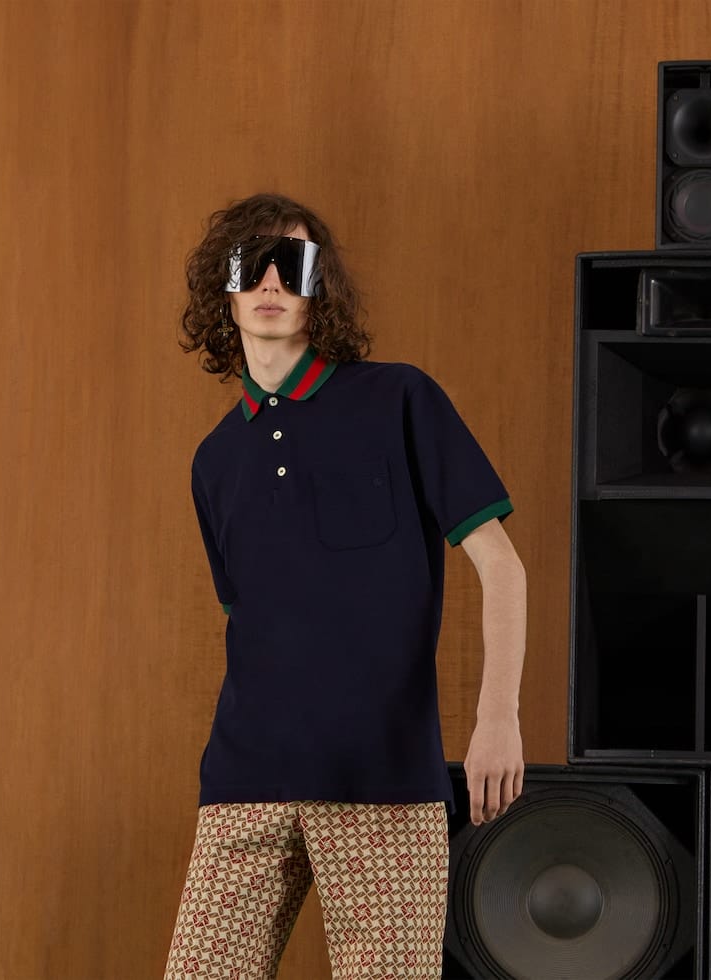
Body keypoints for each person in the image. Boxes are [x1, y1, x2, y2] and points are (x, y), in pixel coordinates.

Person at [165, 193, 526, 979]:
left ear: (318, 286)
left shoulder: (399, 400)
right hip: (244, 780)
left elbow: (502, 566)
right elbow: (252, 625)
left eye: (290, 264)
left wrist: (497, 718)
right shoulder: (214, 461)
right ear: (223, 288)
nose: (269, 282)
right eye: (249, 264)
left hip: (383, 782)